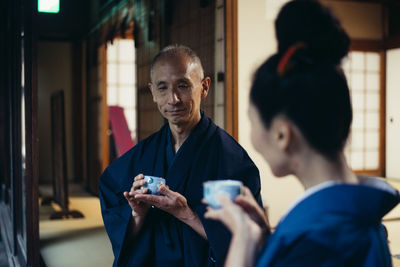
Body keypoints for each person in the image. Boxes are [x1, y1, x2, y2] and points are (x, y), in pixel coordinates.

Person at [204, 1, 400, 266]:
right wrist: (268, 240)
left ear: (282, 134)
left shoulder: (313, 241)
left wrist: (243, 243)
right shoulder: (364, 216)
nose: (252, 137)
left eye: (253, 122)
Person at [99, 45, 263, 267]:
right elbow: (110, 188)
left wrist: (186, 214)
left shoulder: (229, 158)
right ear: (153, 93)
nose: (173, 99)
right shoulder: (145, 153)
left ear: (204, 87)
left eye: (183, 86)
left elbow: (246, 238)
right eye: (163, 88)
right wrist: (137, 214)